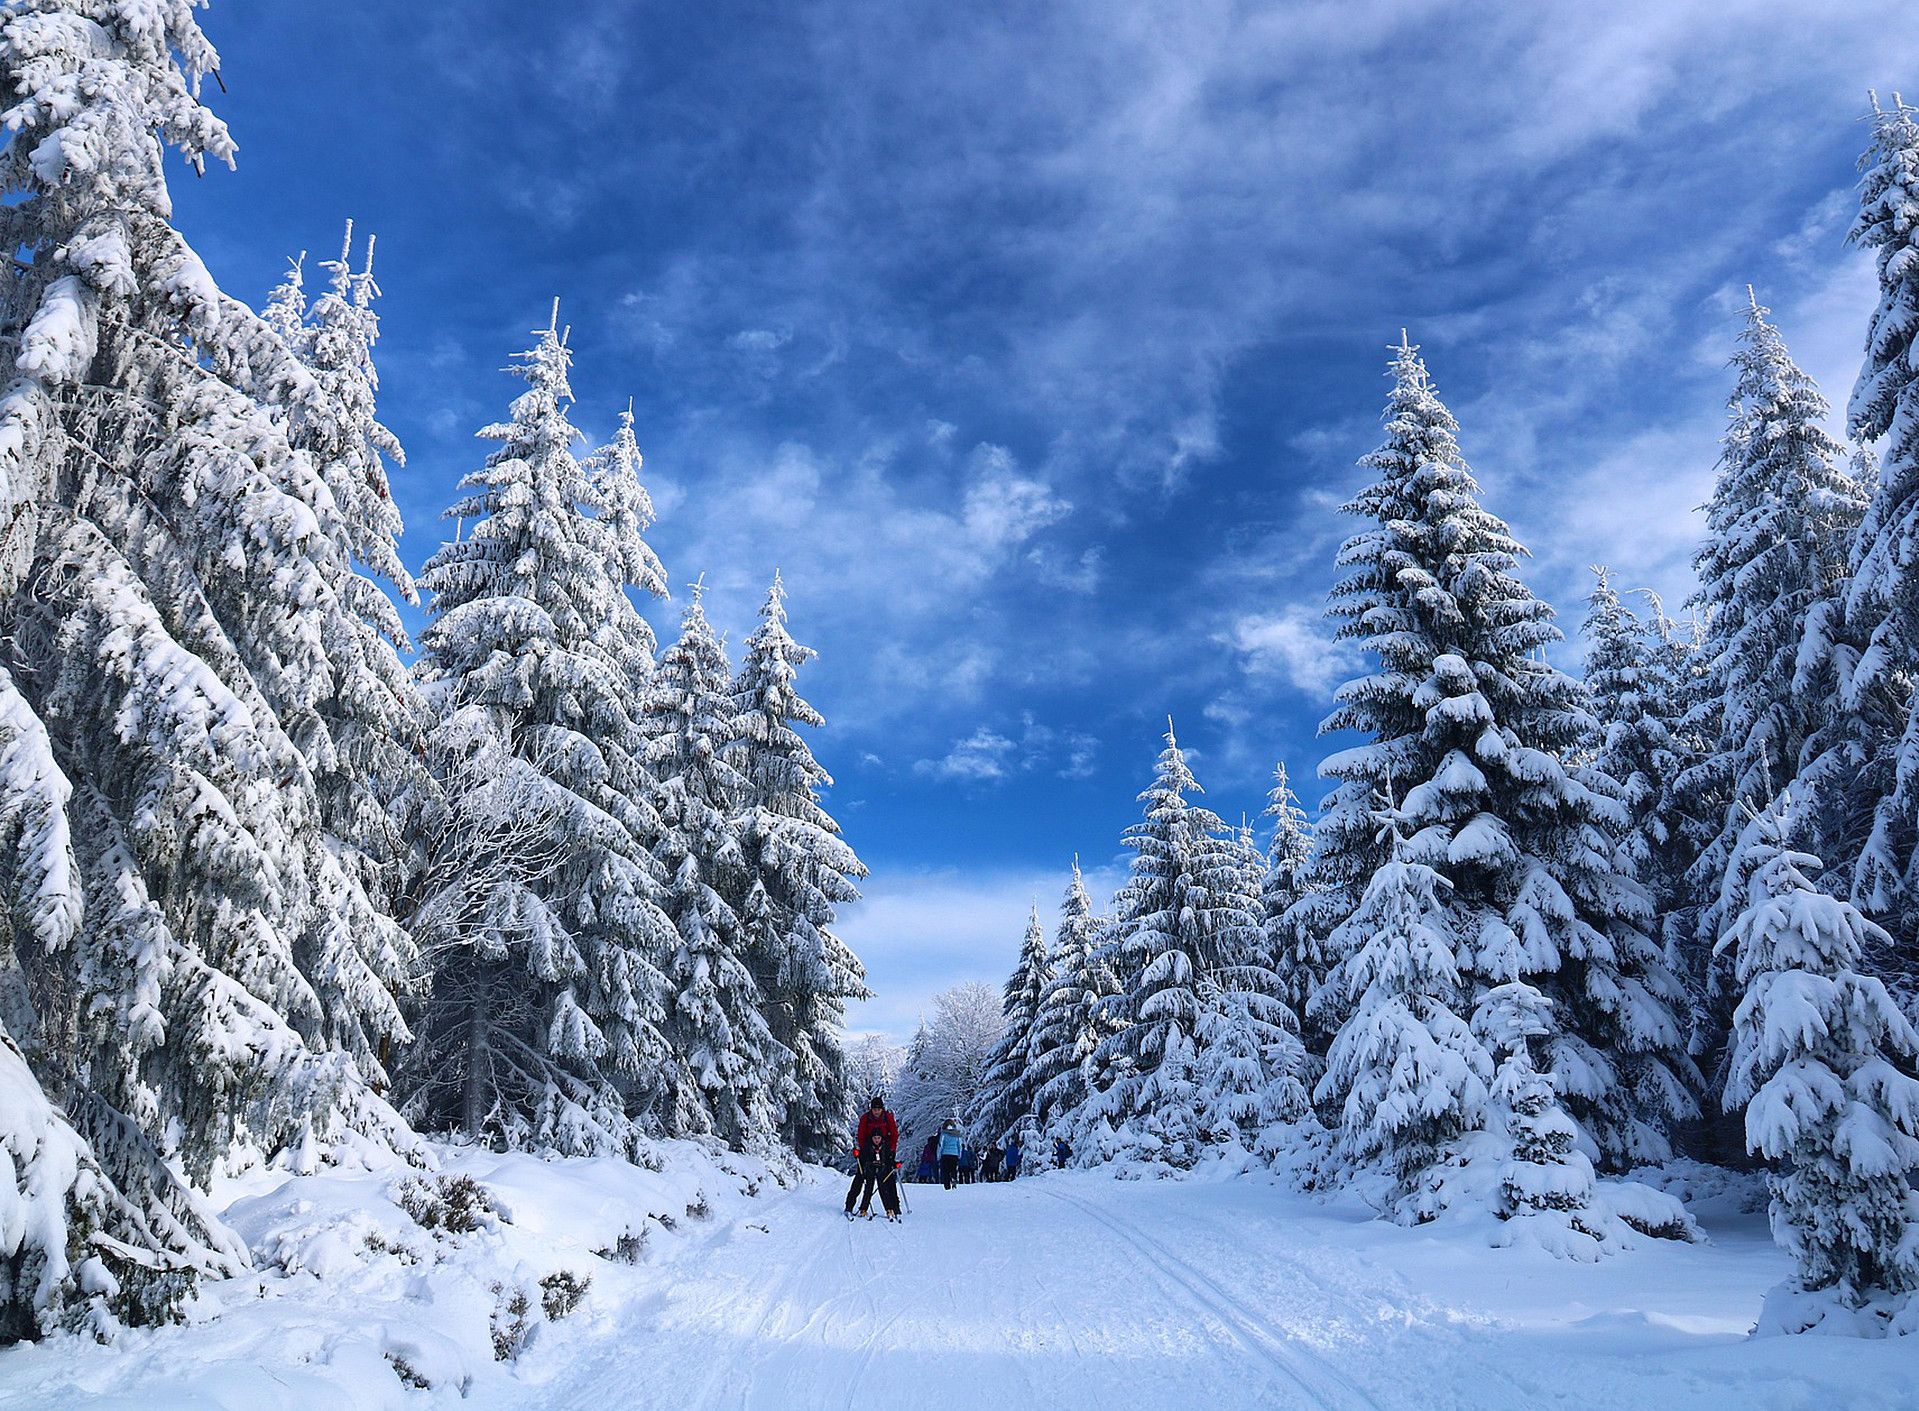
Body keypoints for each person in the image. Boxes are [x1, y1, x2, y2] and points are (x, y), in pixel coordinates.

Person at [845, 1096, 901, 1219]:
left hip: (885, 1151)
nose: (876, 1111)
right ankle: (849, 1206)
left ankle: (894, 1207)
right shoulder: (866, 1118)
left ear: (882, 1109)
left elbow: (894, 1134)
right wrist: (864, 1150)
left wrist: (891, 1150)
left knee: (887, 1179)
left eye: (878, 1109)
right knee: (860, 1178)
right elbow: (861, 1135)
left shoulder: (887, 1117)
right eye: (874, 1109)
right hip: (868, 1150)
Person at [937, 1120, 963, 1189]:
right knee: (953, 1169)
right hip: (954, 1155)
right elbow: (959, 1145)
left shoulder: (943, 1134)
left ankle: (947, 1185)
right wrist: (959, 1155)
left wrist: (938, 1155)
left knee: (946, 1171)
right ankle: (954, 1179)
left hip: (945, 1154)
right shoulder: (957, 1134)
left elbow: (940, 1145)